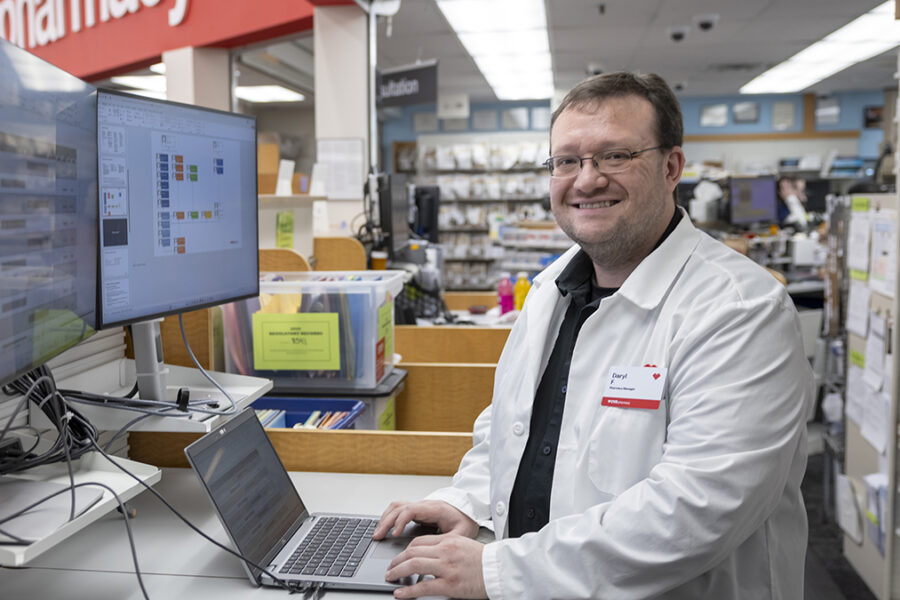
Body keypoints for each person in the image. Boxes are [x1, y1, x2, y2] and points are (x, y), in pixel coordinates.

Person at [373, 72, 812, 599]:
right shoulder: (553, 291)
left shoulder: (739, 311)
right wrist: (467, 502)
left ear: (671, 167)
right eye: (566, 161)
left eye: (615, 156)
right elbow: (511, 431)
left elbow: (698, 509)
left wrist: (499, 572)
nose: (586, 180)